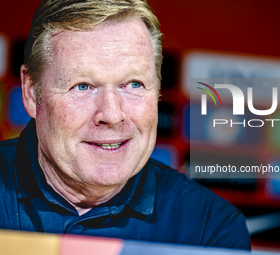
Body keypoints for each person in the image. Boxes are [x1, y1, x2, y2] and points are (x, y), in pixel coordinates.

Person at [0, 0, 251, 250]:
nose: (112, 114)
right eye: (83, 86)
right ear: (32, 93)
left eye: (133, 84)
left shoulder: (210, 230)